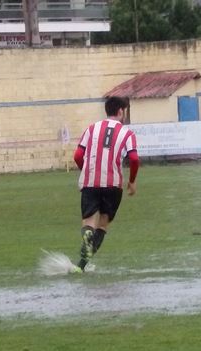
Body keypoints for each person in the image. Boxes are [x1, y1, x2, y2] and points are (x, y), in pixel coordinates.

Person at [72, 96, 140, 271]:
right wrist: (132, 181)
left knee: (88, 221)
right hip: (113, 185)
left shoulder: (92, 129)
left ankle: (86, 239)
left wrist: (86, 171)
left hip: (91, 182)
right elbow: (133, 158)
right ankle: (81, 266)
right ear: (120, 111)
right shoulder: (127, 133)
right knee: (102, 225)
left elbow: (78, 156)